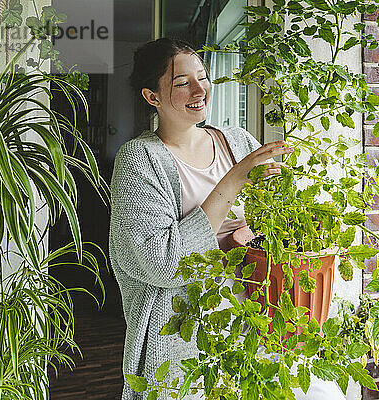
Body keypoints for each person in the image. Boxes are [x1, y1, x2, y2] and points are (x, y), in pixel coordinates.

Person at [109, 38, 347, 400]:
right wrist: (234, 179)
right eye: (181, 82)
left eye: (203, 77)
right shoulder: (140, 159)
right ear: (152, 97)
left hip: (262, 309)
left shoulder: (236, 139)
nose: (199, 89)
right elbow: (159, 263)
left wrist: (286, 202)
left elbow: (274, 225)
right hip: (187, 330)